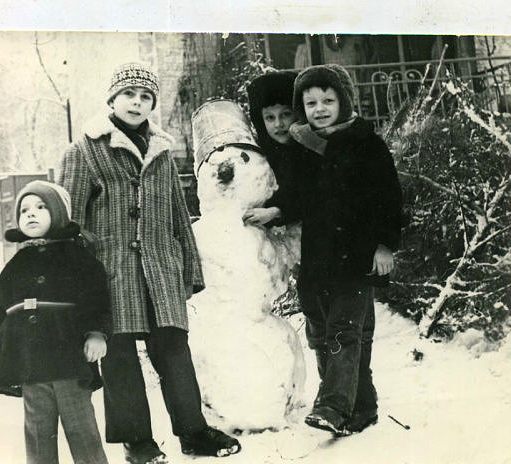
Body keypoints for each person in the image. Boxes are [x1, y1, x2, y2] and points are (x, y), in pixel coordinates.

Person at [58, 62, 240, 464]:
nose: (137, 103)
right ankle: (136, 441)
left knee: (174, 348)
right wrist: (77, 278)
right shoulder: (83, 150)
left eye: (145, 97)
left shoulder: (161, 150)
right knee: (120, 357)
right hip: (111, 273)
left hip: (161, 268)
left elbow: (178, 214)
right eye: (129, 94)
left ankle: (193, 431)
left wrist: (189, 269)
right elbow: (70, 222)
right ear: (112, 99)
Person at [289, 64, 403, 435]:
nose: (320, 109)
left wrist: (385, 245)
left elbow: (389, 198)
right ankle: (361, 406)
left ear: (344, 102)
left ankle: (333, 406)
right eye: (311, 103)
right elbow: (297, 197)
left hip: (357, 256)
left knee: (344, 331)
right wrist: (275, 210)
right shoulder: (302, 147)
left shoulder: (365, 143)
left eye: (328, 100)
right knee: (324, 331)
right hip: (318, 257)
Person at [0, 180, 111, 464]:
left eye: (40, 207)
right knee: (37, 432)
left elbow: (96, 298)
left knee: (81, 428)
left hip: (69, 359)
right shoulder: (17, 263)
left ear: (58, 214)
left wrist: (96, 333)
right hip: (30, 362)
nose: (31, 214)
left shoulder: (78, 258)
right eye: (24, 210)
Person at [244, 70, 303, 228]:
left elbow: (310, 196)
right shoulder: (261, 153)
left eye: (285, 114)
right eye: (270, 117)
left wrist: (276, 211)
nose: (278, 124)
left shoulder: (309, 150)